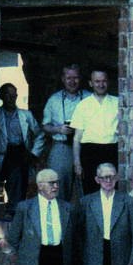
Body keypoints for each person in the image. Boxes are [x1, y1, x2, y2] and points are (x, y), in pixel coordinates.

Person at [0, 83, 45, 219]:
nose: (11, 98)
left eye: (14, 95)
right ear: (1, 96)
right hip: (1, 154)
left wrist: (34, 152)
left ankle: (12, 212)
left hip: (20, 152)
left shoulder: (25, 115)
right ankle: (2, 211)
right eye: (7, 95)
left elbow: (40, 134)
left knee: (18, 178)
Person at [43, 64, 89, 201]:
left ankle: (86, 221)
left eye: (75, 78)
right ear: (63, 79)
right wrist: (58, 129)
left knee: (86, 186)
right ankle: (61, 220)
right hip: (61, 146)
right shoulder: (54, 100)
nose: (72, 81)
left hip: (84, 146)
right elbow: (45, 126)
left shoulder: (89, 97)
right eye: (69, 78)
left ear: (80, 78)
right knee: (58, 187)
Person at [72, 68, 119, 196]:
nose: (101, 84)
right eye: (97, 81)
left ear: (108, 83)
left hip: (111, 151)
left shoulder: (118, 103)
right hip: (89, 153)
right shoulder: (83, 105)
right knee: (91, 191)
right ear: (91, 83)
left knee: (112, 189)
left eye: (104, 81)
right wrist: (77, 163)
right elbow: (77, 138)